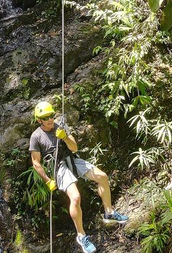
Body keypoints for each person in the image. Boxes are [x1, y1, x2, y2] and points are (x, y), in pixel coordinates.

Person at [29, 101, 128, 253]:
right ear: (39, 120)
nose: (50, 119)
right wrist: (48, 180)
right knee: (75, 197)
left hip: (72, 160)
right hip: (58, 167)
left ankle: (109, 212)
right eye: (46, 117)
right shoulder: (36, 136)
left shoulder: (60, 126)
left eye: (51, 115)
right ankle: (81, 236)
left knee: (102, 177)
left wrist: (65, 137)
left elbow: (74, 147)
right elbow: (36, 163)